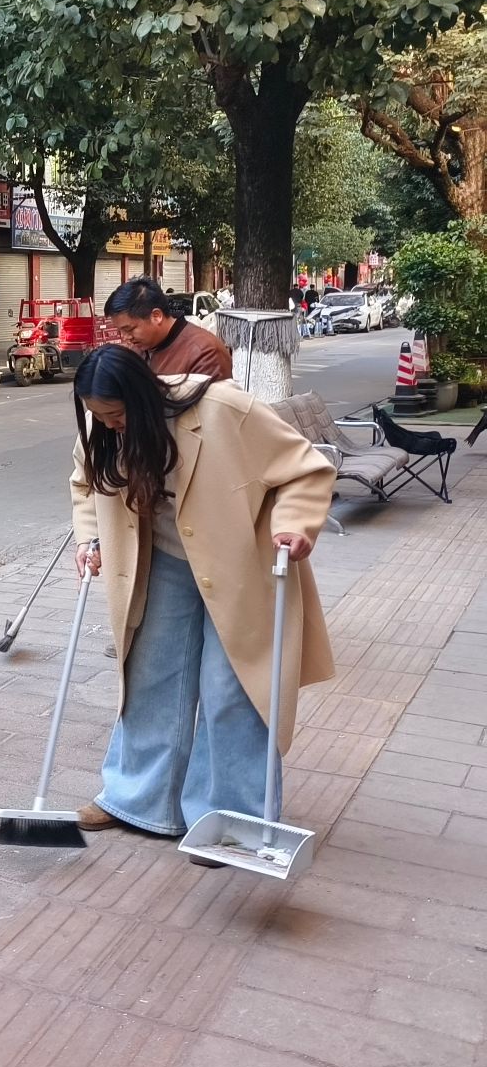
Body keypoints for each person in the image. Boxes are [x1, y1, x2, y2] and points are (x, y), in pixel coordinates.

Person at [70, 345, 335, 847]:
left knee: (231, 688)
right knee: (151, 677)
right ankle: (138, 800)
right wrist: (89, 537)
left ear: (143, 398)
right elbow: (85, 484)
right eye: (99, 416)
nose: (108, 425)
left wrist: (295, 524)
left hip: (238, 566)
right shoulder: (102, 422)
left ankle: (231, 820)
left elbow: (305, 468)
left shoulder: (224, 409)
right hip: (161, 563)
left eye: (117, 415)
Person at [103, 277, 232, 381]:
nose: (125, 337)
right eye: (120, 331)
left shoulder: (204, 352)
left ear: (156, 316)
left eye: (129, 329)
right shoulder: (138, 350)